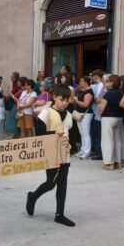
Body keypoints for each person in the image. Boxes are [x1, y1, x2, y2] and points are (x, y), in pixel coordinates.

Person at [26, 84, 75, 227]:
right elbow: (39, 135)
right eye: (62, 99)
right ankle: (33, 196)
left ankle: (59, 214)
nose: (65, 103)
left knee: (63, 184)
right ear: (54, 97)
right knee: (51, 183)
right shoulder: (45, 113)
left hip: (64, 153)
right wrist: (54, 134)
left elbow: (69, 132)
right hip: (50, 153)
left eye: (67, 100)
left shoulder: (69, 116)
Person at [99, 75, 124, 170]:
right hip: (119, 118)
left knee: (107, 140)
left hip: (108, 118)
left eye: (108, 81)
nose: (106, 83)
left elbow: (101, 107)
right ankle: (118, 162)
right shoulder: (121, 93)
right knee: (117, 140)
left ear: (112, 83)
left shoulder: (108, 94)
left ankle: (109, 163)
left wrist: (101, 114)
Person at [73, 76, 94, 159]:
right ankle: (83, 149)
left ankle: (87, 151)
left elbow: (85, 104)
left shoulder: (89, 92)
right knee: (82, 133)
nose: (80, 83)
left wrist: (76, 100)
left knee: (85, 133)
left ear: (86, 82)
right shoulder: (83, 91)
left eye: (81, 81)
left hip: (86, 114)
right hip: (80, 114)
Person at [90, 69, 104, 160]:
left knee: (98, 133)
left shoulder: (101, 85)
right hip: (96, 111)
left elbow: (97, 99)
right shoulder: (98, 85)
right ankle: (95, 150)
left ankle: (99, 152)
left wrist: (93, 98)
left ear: (96, 77)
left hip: (98, 111)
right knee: (95, 132)